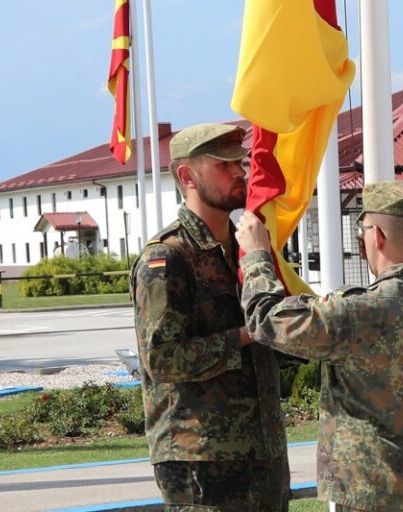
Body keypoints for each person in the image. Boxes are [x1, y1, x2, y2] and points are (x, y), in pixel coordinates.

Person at [235, 180, 403, 511]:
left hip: (369, 495)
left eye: (363, 229)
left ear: (378, 237)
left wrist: (257, 255)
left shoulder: (356, 313)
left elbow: (265, 319)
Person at [130, 123, 290, 511]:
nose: (240, 171)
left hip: (263, 452)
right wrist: (244, 336)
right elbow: (163, 360)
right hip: (200, 458)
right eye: (224, 165)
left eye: (241, 162)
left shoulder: (247, 250)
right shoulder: (167, 259)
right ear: (188, 176)